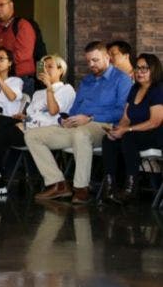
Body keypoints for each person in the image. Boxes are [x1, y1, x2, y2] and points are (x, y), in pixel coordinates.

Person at [25, 41, 132, 204]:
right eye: (88, 61)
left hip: (104, 125)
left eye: (95, 60)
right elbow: (75, 109)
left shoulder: (121, 79)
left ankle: (81, 188)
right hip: (77, 125)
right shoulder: (87, 81)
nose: (91, 65)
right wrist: (64, 119)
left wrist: (90, 118)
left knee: (81, 133)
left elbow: (121, 112)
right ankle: (57, 183)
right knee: (32, 135)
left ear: (107, 57)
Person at [0, 55, 76, 196]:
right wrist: (25, 118)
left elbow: (53, 112)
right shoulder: (38, 93)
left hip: (46, 131)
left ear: (61, 70)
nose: (46, 70)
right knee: (0, 120)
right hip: (29, 125)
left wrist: (48, 88)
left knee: (4, 131)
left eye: (50, 67)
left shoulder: (67, 89)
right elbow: (33, 114)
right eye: (44, 66)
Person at [101, 53, 163, 204]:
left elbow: (155, 121)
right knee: (109, 140)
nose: (139, 72)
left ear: (153, 70)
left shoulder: (158, 90)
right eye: (137, 68)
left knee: (129, 137)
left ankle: (131, 188)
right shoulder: (134, 89)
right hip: (136, 133)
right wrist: (117, 130)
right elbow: (126, 117)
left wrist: (127, 130)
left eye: (144, 68)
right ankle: (109, 187)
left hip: (156, 133)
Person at [0, 0, 36, 96]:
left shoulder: (22, 25)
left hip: (21, 78)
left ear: (11, 4)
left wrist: (1, 63)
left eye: (1, 5)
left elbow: (24, 54)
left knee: (19, 112)